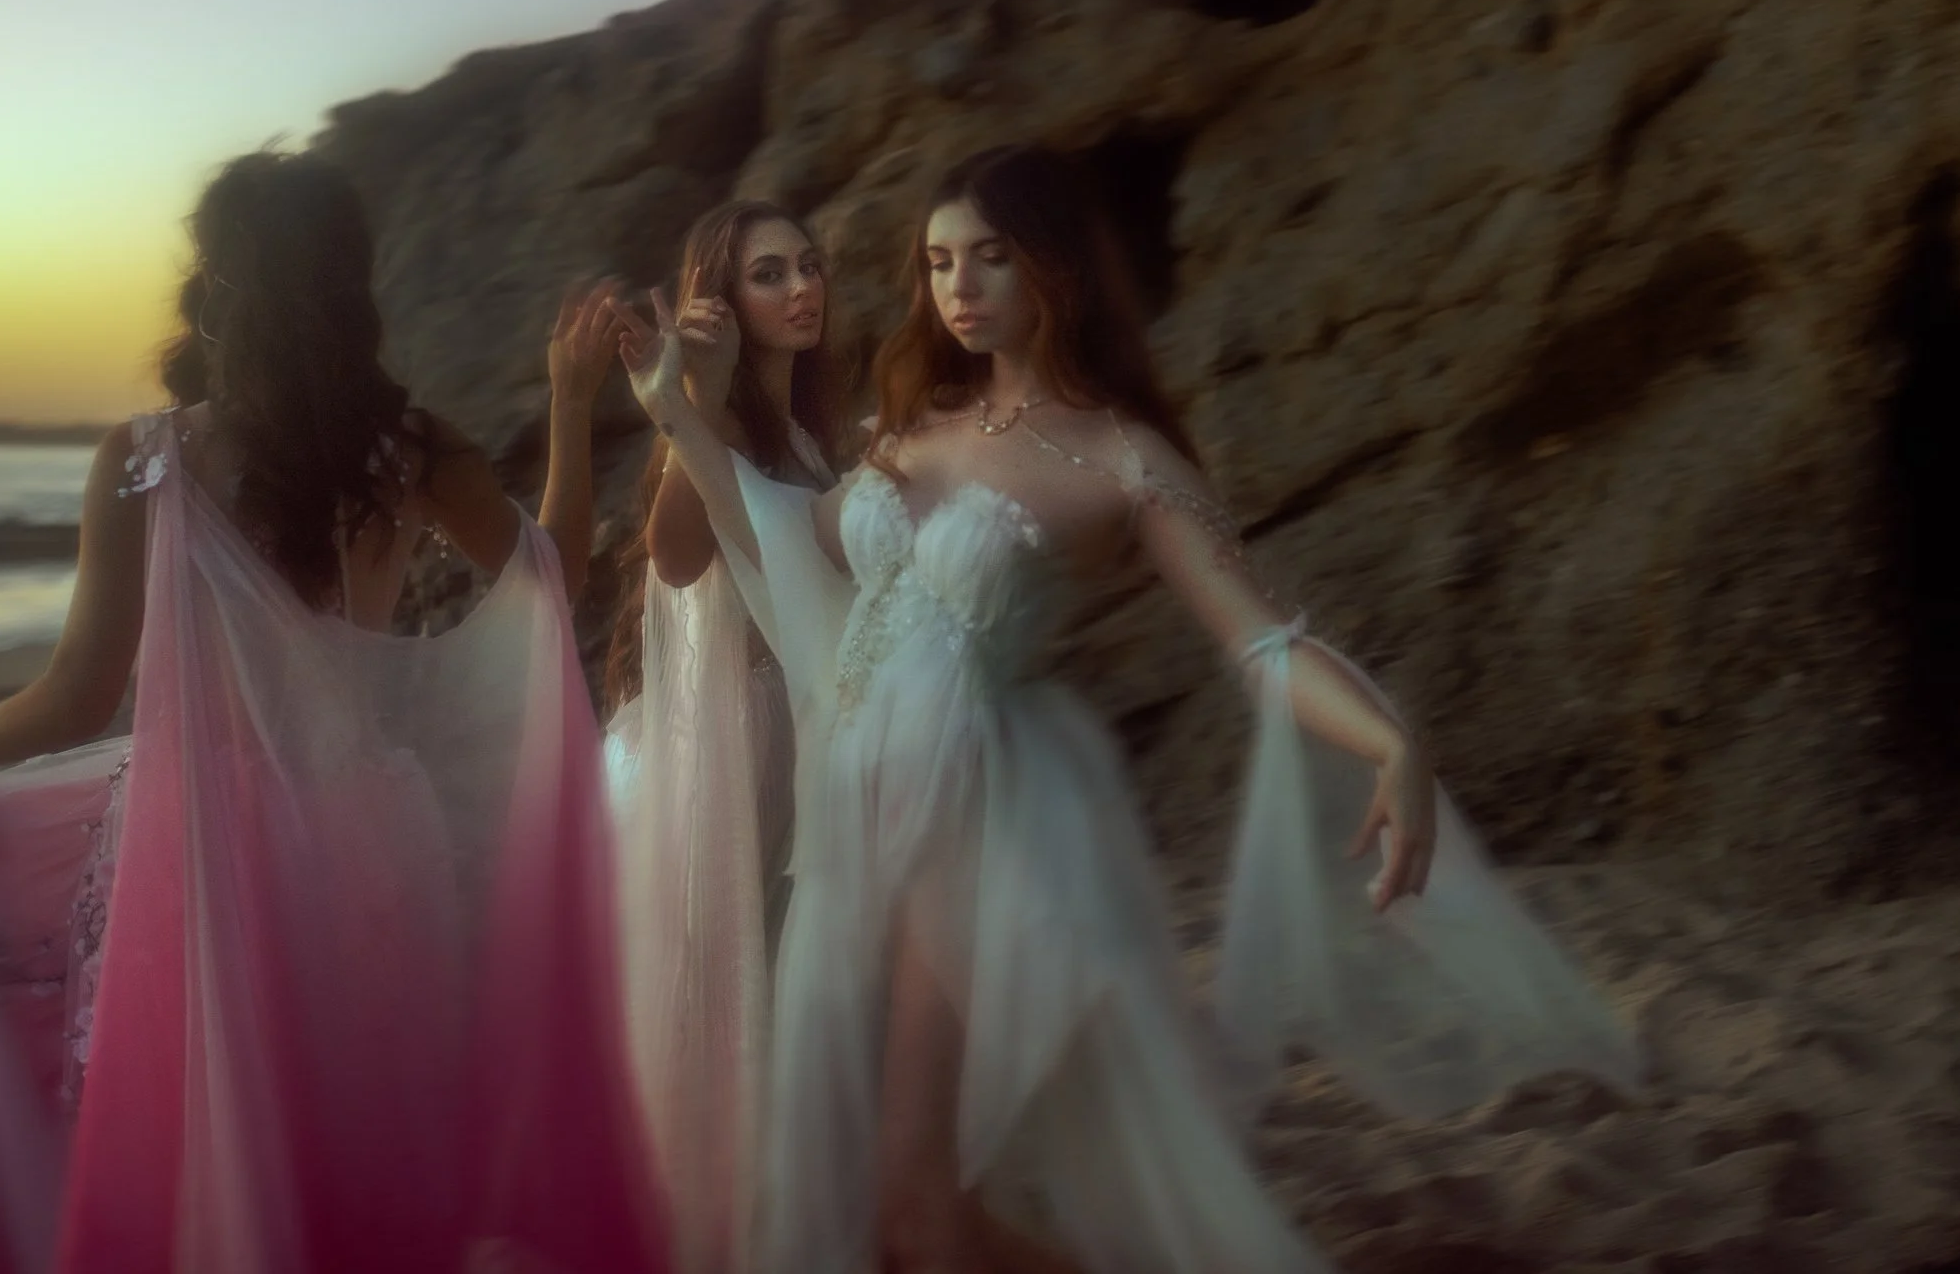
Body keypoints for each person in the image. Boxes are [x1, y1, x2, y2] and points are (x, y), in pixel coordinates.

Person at [624, 144, 1638, 1274]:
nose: (958, 286)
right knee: (885, 1218)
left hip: (977, 825)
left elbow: (1261, 640)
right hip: (854, 821)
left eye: (989, 256)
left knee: (918, 1213)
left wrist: (1389, 739)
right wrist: (678, 411)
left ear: (1053, 265)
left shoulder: (1123, 458)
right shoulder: (911, 427)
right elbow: (784, 546)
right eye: (938, 262)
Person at [0, 150, 668, 1274]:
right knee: (368, 1150)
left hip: (204, 849)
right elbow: (551, 578)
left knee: (208, 1152)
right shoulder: (409, 450)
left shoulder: (148, 459)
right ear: (348, 285)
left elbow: (78, 694)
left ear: (219, 285)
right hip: (371, 833)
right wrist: (571, 405)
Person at [600, 199, 838, 1274]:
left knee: (796, 998)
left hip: (805, 735)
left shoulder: (807, 435)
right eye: (769, 273)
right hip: (731, 750)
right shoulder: (720, 423)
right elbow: (677, 555)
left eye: (808, 265)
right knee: (734, 1006)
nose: (801, 287)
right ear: (723, 301)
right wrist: (690, 399)